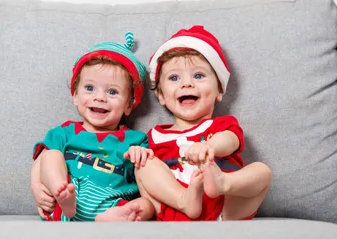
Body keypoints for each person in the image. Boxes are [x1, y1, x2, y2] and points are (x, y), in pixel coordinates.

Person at [31, 32, 203, 222]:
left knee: (146, 205)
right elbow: (41, 160)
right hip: (70, 194)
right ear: (75, 96)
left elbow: (148, 175)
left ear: (129, 105)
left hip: (114, 203)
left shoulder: (136, 140)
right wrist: (37, 187)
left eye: (112, 92)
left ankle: (112, 218)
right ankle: (62, 196)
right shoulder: (64, 133)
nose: (100, 97)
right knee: (51, 155)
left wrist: (141, 153)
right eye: (89, 88)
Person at [133, 25, 273, 221]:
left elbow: (230, 141)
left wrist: (210, 146)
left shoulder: (220, 126)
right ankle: (184, 199)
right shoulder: (154, 136)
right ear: (161, 96)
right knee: (143, 164)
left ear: (219, 91)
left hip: (226, 209)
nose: (187, 84)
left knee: (262, 171)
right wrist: (138, 153)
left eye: (198, 75)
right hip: (176, 211)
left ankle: (223, 182)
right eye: (174, 77)